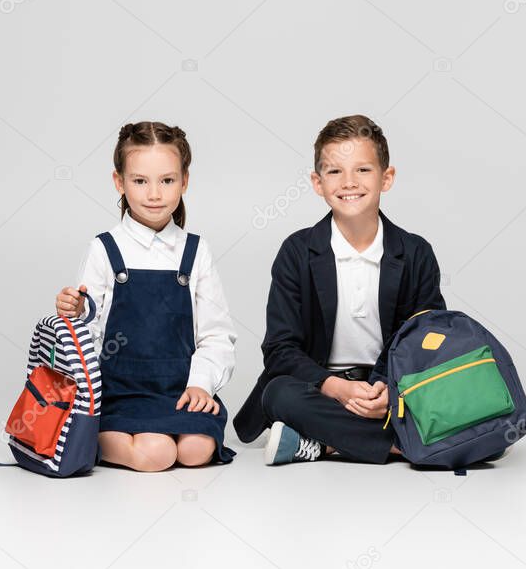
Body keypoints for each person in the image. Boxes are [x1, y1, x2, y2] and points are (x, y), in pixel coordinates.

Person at [233, 115, 447, 465]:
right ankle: (401, 445)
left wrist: (389, 392)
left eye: (363, 170)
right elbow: (279, 349)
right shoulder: (298, 251)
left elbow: (428, 342)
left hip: (392, 390)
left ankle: (324, 444)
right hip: (322, 389)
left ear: (386, 178)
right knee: (278, 394)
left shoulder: (415, 252)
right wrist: (336, 388)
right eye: (334, 172)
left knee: (468, 405)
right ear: (317, 182)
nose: (349, 182)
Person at [56, 121, 237, 471]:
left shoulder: (196, 251)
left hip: (180, 390)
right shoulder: (105, 249)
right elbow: (87, 334)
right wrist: (74, 313)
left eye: (167, 181)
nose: (154, 194)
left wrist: (201, 386)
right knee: (157, 454)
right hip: (119, 392)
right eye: (140, 181)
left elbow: (216, 333)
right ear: (119, 182)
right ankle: (94, 435)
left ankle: (153, 430)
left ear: (184, 181)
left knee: (196, 451)